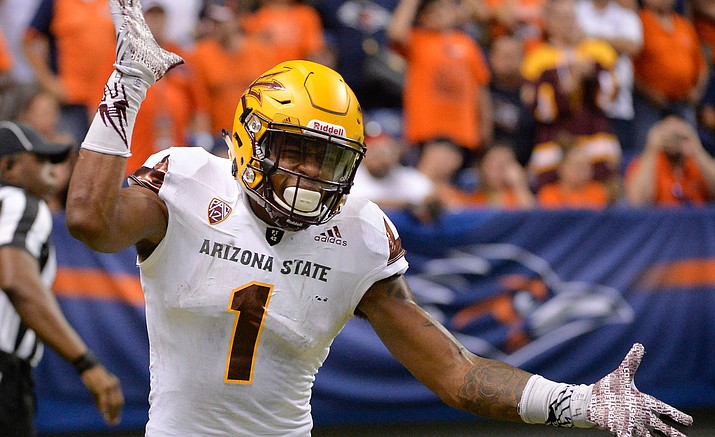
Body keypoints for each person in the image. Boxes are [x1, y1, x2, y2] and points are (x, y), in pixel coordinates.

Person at [65, 1, 693, 435]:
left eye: (328, 158)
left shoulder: (358, 237)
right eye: (296, 151)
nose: (312, 174)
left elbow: (459, 375)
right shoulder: (189, 183)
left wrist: (579, 402)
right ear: (249, 140)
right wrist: (126, 83)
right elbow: (90, 219)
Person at [0, 120, 123, 436]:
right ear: (8, 167)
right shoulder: (18, 201)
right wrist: (86, 362)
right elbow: (15, 278)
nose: (53, 169)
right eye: (40, 160)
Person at [625, 115, 715, 207]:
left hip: (697, 220)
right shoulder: (645, 163)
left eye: (677, 136)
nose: (674, 141)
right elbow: (637, 201)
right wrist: (651, 149)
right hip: (659, 220)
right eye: (668, 136)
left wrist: (697, 148)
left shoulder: (697, 162)